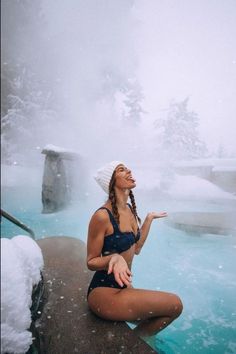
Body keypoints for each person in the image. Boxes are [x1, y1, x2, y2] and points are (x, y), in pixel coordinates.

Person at [86, 161, 183, 337]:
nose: (129, 171)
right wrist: (113, 258)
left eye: (128, 168)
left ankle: (137, 341)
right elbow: (91, 261)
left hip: (124, 287)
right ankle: (138, 343)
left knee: (160, 314)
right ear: (111, 182)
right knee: (175, 305)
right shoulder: (102, 216)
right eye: (122, 169)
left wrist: (148, 219)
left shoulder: (129, 210)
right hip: (104, 291)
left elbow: (136, 248)